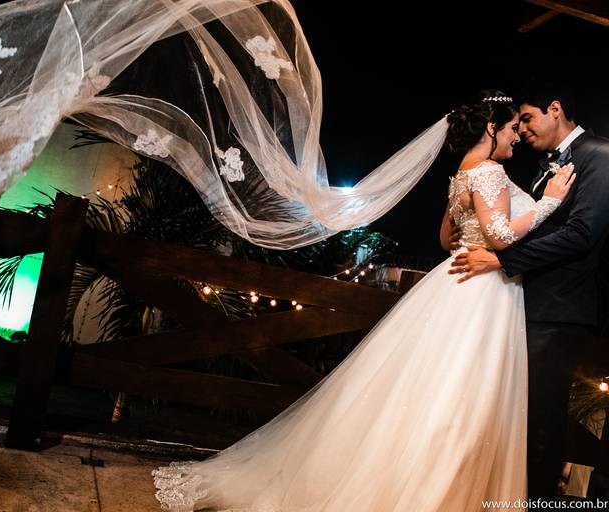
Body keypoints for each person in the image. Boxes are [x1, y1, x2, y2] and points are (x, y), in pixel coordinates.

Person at [152, 90, 575, 511]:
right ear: (490, 127)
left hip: (452, 282)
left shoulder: (461, 173)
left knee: (428, 389)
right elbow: (500, 235)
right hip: (483, 291)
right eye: (511, 128)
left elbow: (446, 240)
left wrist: (474, 241)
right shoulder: (488, 172)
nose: (516, 136)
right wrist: (549, 204)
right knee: (463, 399)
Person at [449, 82, 609, 499]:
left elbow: (581, 235)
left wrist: (502, 260)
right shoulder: (543, 165)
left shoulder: (601, 156)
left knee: (539, 420)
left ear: (555, 108)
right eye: (515, 122)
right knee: (508, 415)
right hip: (519, 304)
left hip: (556, 312)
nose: (520, 130)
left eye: (527, 118)